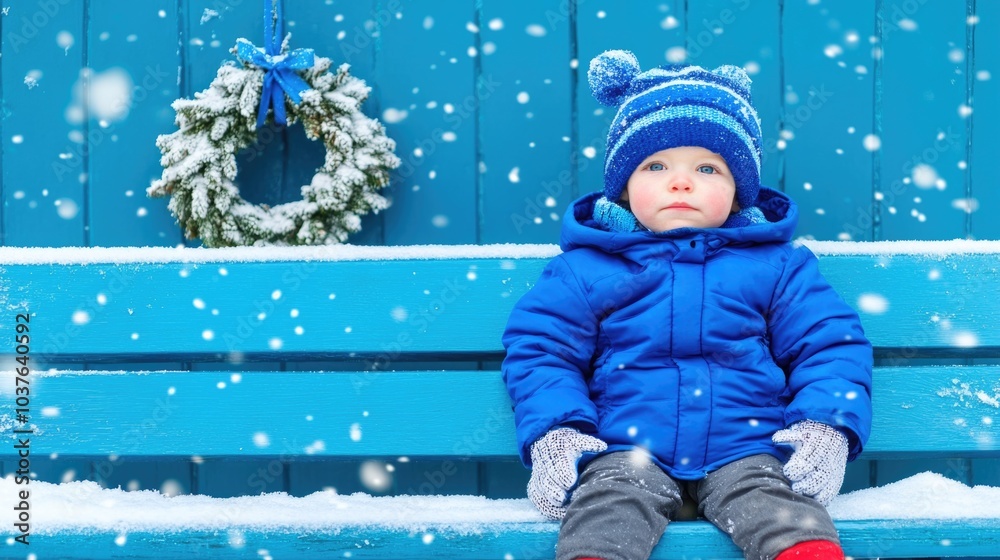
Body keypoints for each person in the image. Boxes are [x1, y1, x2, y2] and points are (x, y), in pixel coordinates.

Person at [500, 50, 873, 560]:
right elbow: (542, 351)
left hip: (747, 449)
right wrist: (557, 431)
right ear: (626, 190)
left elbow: (830, 344)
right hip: (627, 451)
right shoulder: (587, 270)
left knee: (786, 516)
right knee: (605, 513)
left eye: (707, 167)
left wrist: (826, 424)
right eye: (655, 165)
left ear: (738, 194)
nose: (681, 181)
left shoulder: (777, 267)